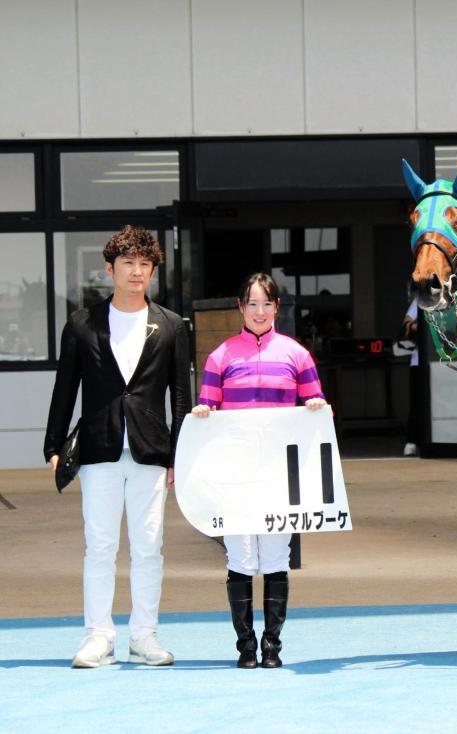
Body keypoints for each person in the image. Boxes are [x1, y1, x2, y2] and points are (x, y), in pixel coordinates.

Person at [44, 226, 191, 668]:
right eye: (128, 263)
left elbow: (181, 396)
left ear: (152, 271)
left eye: (145, 265)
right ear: (110, 269)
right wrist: (53, 445)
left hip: (150, 451)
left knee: (149, 546)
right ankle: (98, 636)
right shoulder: (82, 324)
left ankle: (144, 636)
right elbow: (65, 387)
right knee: (100, 545)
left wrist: (180, 455)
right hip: (98, 448)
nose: (137, 272)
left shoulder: (169, 325)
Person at [192, 272, 327, 669]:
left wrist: (316, 406)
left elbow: (314, 402)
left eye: (266, 303)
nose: (259, 311)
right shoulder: (221, 356)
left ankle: (272, 646)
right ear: (240, 307)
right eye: (252, 303)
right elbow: (208, 406)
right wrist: (204, 413)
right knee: (240, 556)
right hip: (235, 475)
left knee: (274, 557)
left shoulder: (297, 354)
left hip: (277, 476)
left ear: (277, 308)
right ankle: (245, 647)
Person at [399, 298, 422, 457]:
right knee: (417, 403)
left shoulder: (452, 296)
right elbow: (407, 322)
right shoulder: (421, 299)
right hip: (419, 361)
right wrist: (417, 326)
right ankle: (412, 441)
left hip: (448, 360)